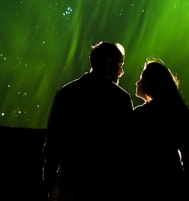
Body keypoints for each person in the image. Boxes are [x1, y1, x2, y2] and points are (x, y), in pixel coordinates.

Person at [43, 41, 133, 201]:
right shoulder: (120, 99)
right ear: (109, 63)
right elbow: (125, 149)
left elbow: (53, 142)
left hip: (65, 190)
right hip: (103, 191)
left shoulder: (66, 93)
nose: (122, 72)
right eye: (121, 65)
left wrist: (48, 182)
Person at [133, 60, 189, 200]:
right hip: (173, 181)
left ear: (151, 83)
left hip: (147, 183)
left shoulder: (142, 114)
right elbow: (188, 154)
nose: (137, 83)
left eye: (141, 79)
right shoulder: (177, 112)